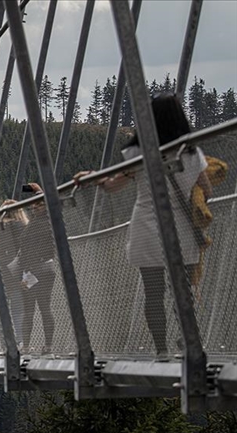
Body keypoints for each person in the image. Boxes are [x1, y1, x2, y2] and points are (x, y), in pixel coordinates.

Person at [74, 91, 210, 357]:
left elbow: (113, 186)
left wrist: (94, 178)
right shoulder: (191, 151)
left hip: (148, 224)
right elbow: (207, 189)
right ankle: (190, 343)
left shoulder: (139, 151)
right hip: (183, 228)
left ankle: (161, 351)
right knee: (183, 294)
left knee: (153, 293)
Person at [14, 184, 56, 354]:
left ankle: (27, 346)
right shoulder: (46, 221)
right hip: (43, 269)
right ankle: (47, 345)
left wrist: (25, 273)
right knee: (42, 307)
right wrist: (38, 190)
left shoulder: (43, 222)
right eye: (34, 203)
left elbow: (30, 250)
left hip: (34, 271)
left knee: (32, 309)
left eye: (39, 203)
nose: (34, 206)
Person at [0, 199, 29, 346]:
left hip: (3, 272)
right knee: (19, 308)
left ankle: (5, 342)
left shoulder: (2, 229)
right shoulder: (24, 227)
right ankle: (21, 341)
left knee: (2, 309)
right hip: (20, 270)